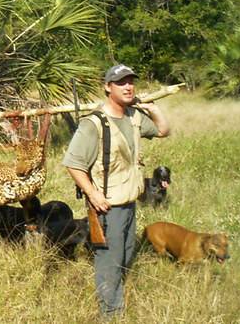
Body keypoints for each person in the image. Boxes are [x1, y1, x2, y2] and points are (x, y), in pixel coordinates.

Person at [63, 64, 170, 318]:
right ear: (107, 87)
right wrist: (93, 194)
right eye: (121, 82)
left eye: (131, 81)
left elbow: (163, 130)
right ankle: (111, 314)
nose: (128, 86)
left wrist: (153, 109)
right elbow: (73, 164)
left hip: (129, 202)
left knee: (125, 253)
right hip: (108, 206)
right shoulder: (94, 123)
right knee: (109, 262)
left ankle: (114, 303)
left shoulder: (134, 117)